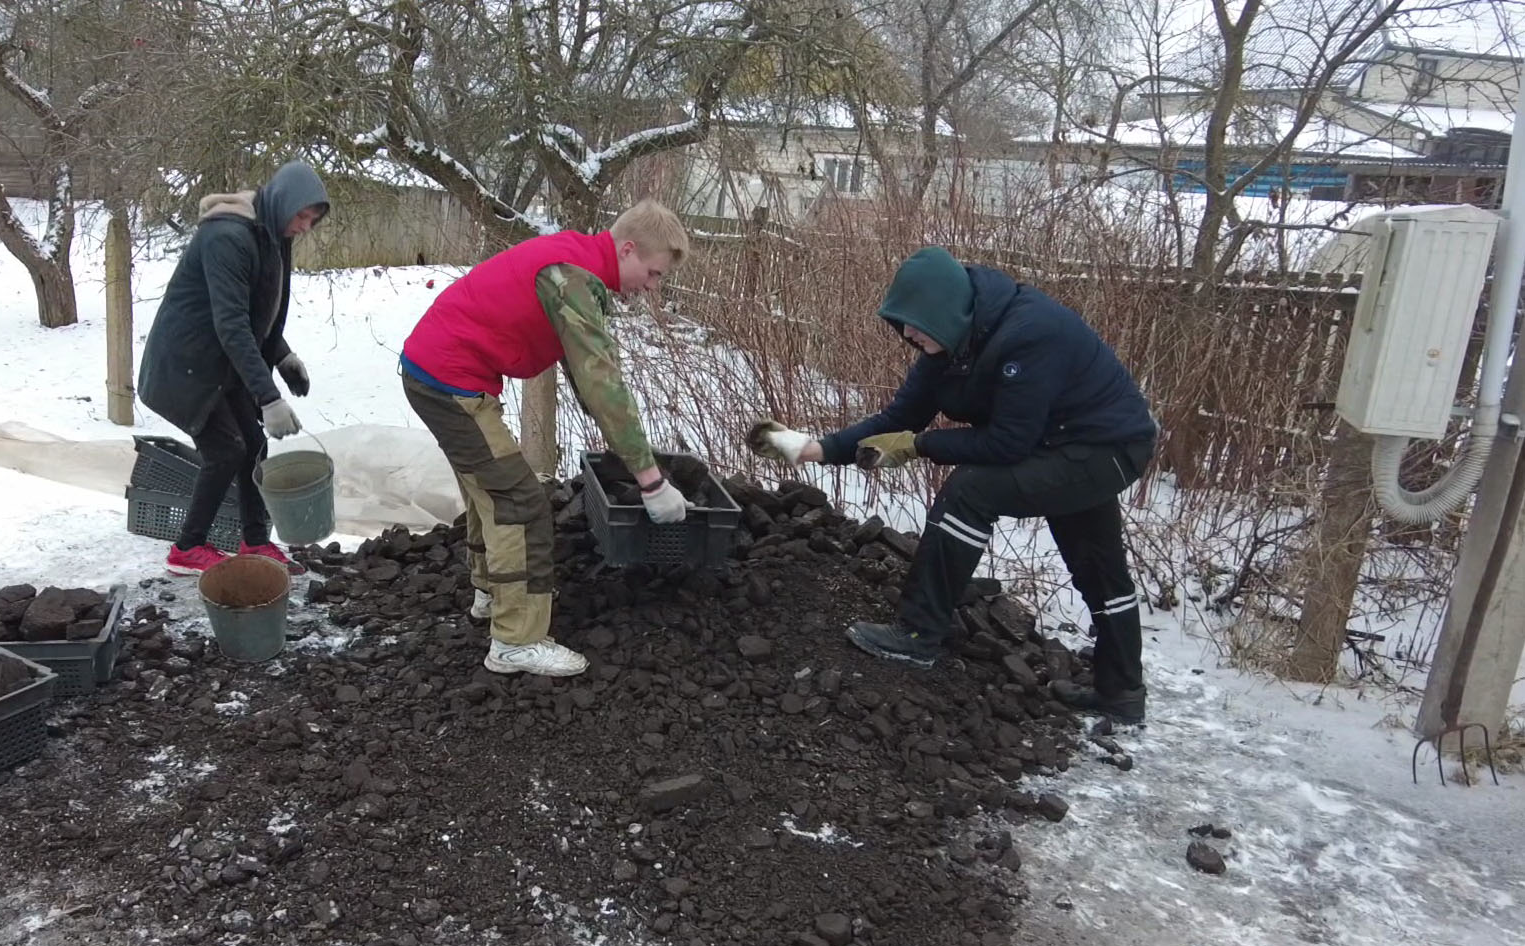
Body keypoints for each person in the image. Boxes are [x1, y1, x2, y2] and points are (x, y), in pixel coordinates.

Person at [747, 246, 1158, 725]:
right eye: (902, 324)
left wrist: (918, 446)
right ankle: (1122, 691)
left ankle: (919, 633)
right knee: (1098, 566)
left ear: (945, 310)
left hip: (1107, 449)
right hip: (1062, 445)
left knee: (972, 491)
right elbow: (900, 417)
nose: (907, 334)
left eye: (915, 323)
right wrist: (813, 448)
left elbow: (1007, 443)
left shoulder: (1028, 334)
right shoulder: (951, 342)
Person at [401, 198, 692, 678]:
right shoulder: (573, 279)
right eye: (655, 273)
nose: (653, 287)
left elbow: (587, 376)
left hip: (439, 372)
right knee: (519, 500)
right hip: (447, 379)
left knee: (490, 487)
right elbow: (604, 384)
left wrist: (624, 446)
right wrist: (652, 481)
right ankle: (517, 641)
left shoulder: (576, 261)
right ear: (629, 249)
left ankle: (491, 592)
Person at [138, 161, 329, 577]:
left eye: (313, 221)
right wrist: (268, 396)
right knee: (227, 450)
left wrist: (283, 356)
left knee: (254, 445)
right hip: (186, 365)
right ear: (283, 203)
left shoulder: (273, 235)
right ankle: (187, 549)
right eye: (303, 216)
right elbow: (232, 325)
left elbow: (259, 312)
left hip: (222, 361)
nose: (305, 227)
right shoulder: (227, 237)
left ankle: (255, 541)